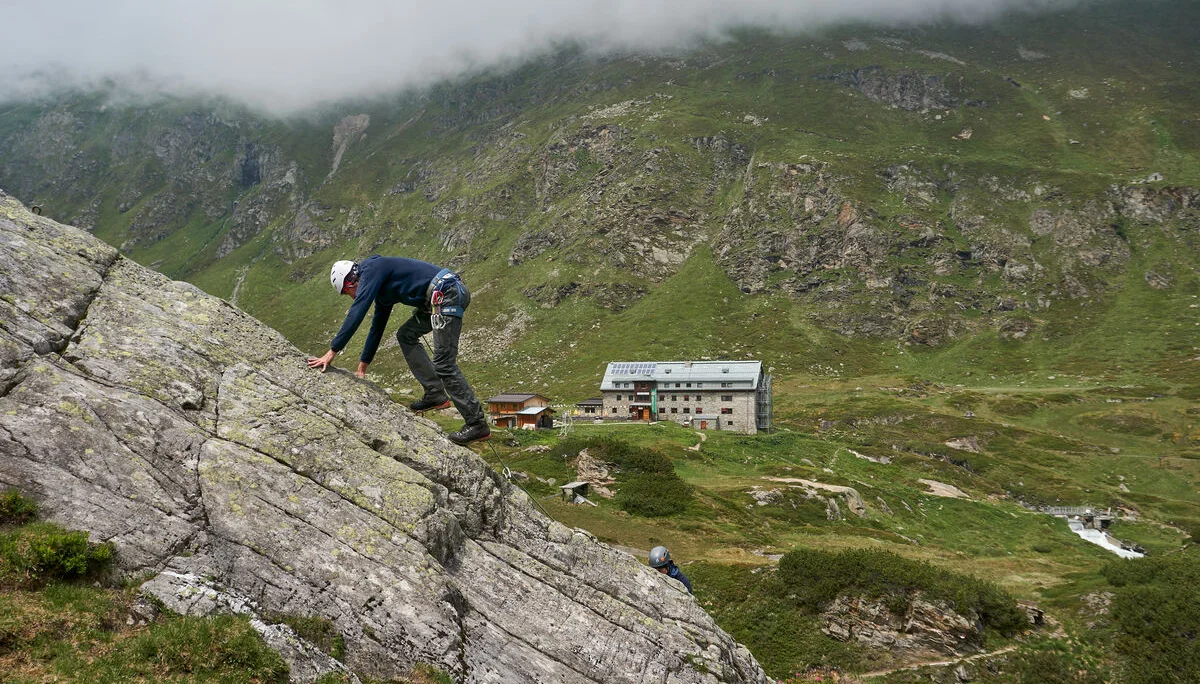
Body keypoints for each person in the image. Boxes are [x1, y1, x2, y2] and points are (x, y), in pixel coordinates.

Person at [307, 256, 491, 445]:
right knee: (406, 335)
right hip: (440, 297)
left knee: (444, 364)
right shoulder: (382, 290)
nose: (352, 297)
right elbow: (377, 327)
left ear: (350, 282)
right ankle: (435, 393)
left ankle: (476, 424)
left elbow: (358, 309)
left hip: (447, 293)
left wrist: (332, 351)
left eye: (347, 293)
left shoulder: (372, 268)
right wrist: (362, 366)